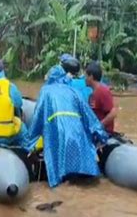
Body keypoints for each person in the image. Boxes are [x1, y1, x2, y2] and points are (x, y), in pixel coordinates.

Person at [25, 57, 109, 188]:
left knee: (62, 181)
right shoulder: (74, 91)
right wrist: (101, 137)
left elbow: (37, 120)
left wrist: (28, 145)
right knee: (83, 182)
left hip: (58, 137)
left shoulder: (45, 92)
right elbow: (90, 117)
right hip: (78, 136)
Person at [85, 61, 117, 135]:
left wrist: (99, 125)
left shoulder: (102, 91)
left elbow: (113, 113)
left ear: (91, 77)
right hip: (96, 133)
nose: (84, 79)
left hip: (104, 134)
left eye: (86, 76)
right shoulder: (92, 95)